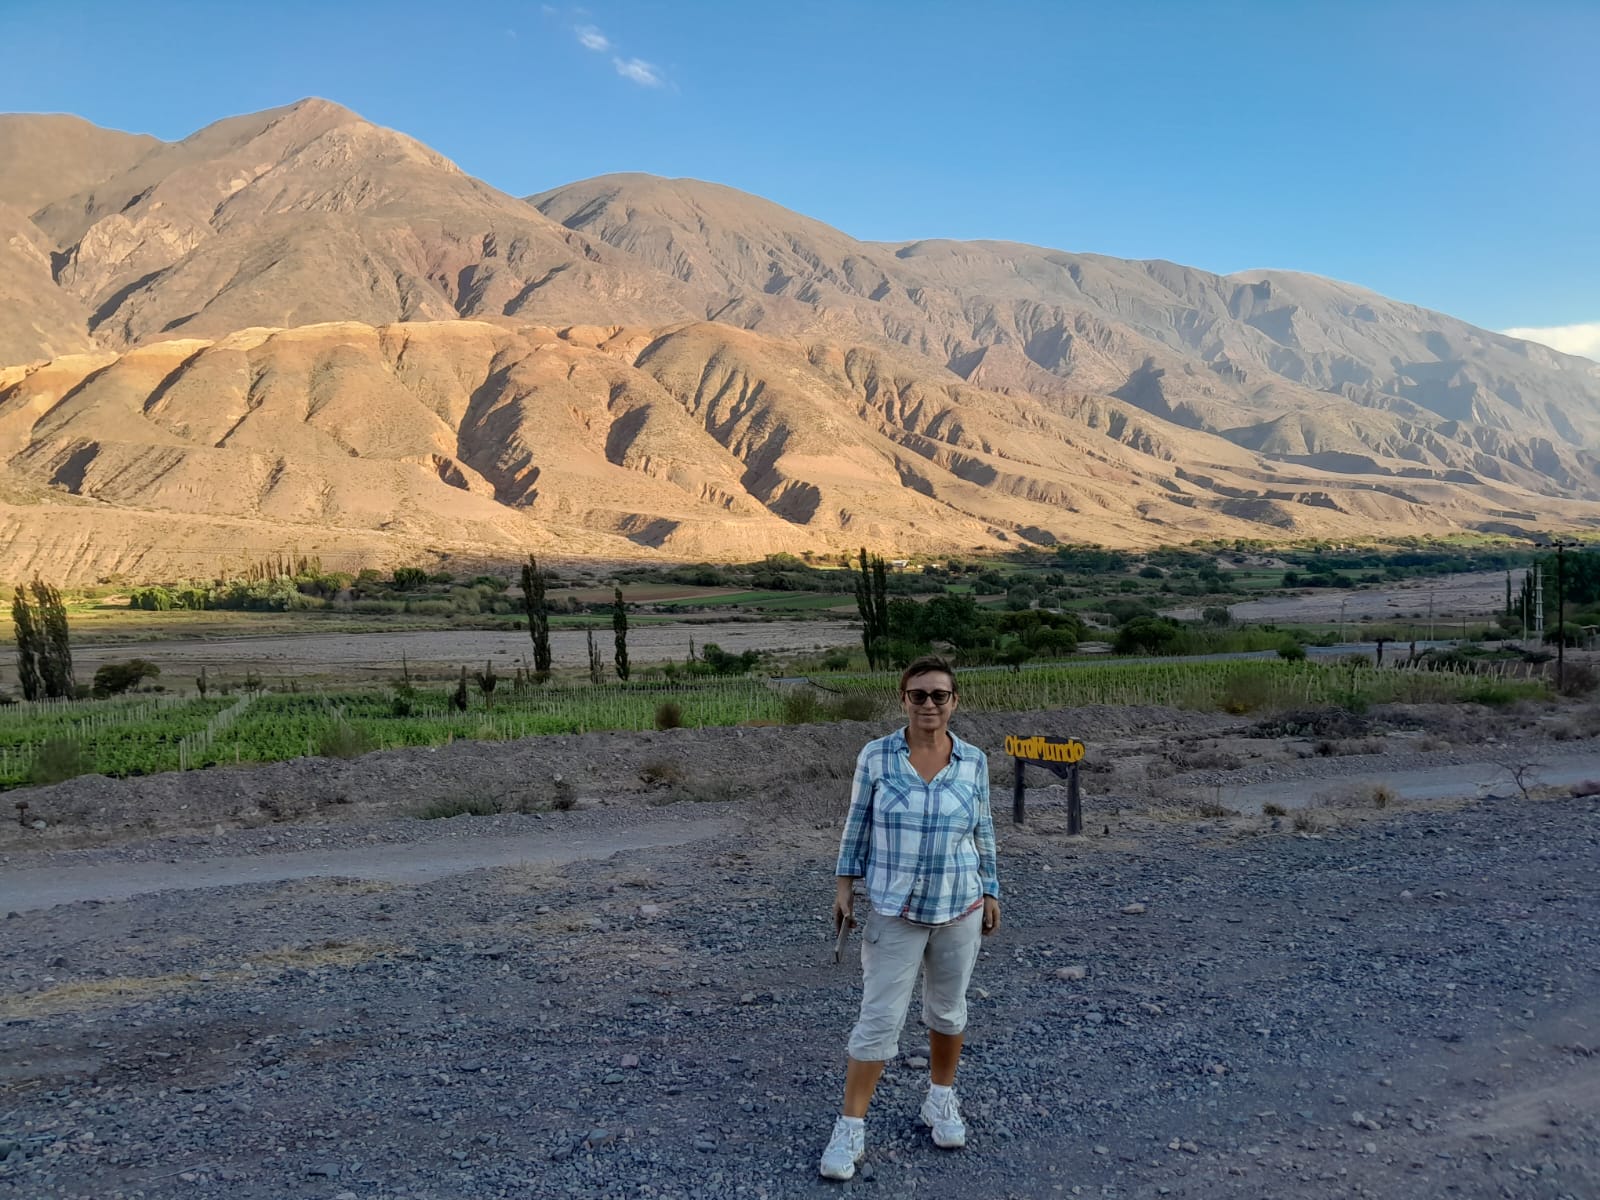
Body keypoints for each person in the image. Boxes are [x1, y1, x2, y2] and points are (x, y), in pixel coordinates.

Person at [818, 655, 1000, 1181]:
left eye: (938, 695)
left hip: (959, 904)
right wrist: (843, 886)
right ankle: (851, 1126)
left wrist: (991, 890)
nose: (928, 704)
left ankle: (940, 1099)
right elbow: (857, 825)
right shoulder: (876, 757)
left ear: (954, 702)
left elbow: (983, 829)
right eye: (918, 695)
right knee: (878, 1019)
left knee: (948, 1012)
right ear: (903, 700)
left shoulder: (973, 761)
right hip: (894, 907)